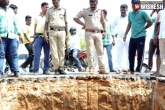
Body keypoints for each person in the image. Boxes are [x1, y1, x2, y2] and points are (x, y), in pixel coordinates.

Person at [73, 0, 108, 74]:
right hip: (89, 33)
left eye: (94, 3)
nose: (92, 4)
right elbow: (75, 18)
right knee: (90, 51)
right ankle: (91, 68)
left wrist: (105, 31)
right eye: (91, 3)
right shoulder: (85, 11)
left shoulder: (100, 11)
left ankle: (101, 68)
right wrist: (83, 24)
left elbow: (103, 22)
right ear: (89, 3)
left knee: (100, 51)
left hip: (98, 33)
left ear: (97, 3)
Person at [123, 0, 152, 74]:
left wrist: (144, 28)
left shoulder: (143, 12)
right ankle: (131, 69)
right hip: (132, 36)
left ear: (139, 5)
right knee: (131, 53)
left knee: (140, 53)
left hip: (141, 36)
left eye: (135, 5)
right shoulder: (130, 13)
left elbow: (150, 22)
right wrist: (125, 34)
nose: (133, 7)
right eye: (132, 5)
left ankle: (138, 69)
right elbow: (129, 24)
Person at [0, 0, 23, 77]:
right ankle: (0, 73)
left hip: (12, 36)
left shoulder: (10, 10)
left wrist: (19, 34)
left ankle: (16, 72)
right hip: (2, 36)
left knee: (14, 54)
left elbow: (15, 23)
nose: (8, 1)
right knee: (1, 55)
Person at [44, 0, 68, 74]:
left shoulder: (64, 10)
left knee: (62, 50)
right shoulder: (49, 10)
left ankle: (61, 68)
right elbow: (46, 23)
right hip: (52, 31)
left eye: (55, 0)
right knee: (54, 50)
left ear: (59, 1)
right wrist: (45, 33)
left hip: (62, 31)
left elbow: (66, 22)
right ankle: (56, 68)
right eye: (53, 1)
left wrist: (67, 34)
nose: (54, 2)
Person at [33, 2, 50, 76]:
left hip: (47, 37)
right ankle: (35, 71)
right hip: (38, 37)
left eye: (48, 7)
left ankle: (46, 70)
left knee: (47, 54)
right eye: (46, 7)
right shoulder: (37, 16)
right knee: (37, 54)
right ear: (42, 7)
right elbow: (35, 27)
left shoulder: (49, 16)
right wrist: (34, 39)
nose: (47, 8)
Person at [111, 4, 129, 73]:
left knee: (129, 53)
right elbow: (112, 27)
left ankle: (129, 68)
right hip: (119, 38)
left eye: (124, 10)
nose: (123, 11)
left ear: (127, 10)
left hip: (129, 37)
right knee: (119, 54)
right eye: (122, 10)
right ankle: (119, 68)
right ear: (120, 10)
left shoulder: (129, 18)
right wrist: (114, 34)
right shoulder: (117, 19)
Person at [4, 4, 19, 75]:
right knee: (7, 55)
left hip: (14, 38)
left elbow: (17, 28)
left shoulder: (14, 17)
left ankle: (14, 69)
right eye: (15, 9)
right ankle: (8, 68)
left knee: (13, 55)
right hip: (7, 38)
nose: (16, 11)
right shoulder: (6, 16)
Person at [155, 0, 165, 76]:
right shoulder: (161, 12)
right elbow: (159, 25)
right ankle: (163, 72)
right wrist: (157, 35)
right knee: (162, 54)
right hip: (161, 36)